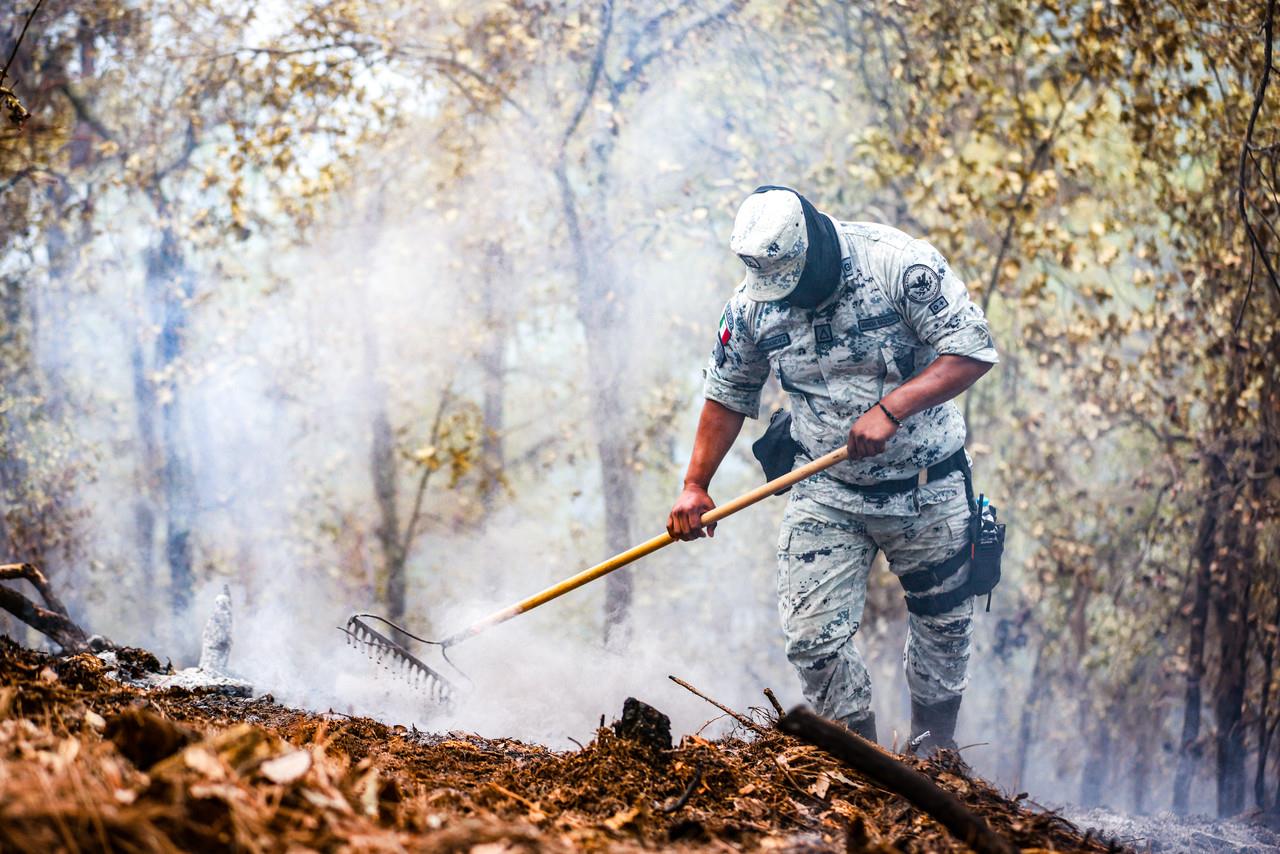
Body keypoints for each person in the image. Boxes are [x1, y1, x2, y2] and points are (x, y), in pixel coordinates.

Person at [666, 186, 998, 750]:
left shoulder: (899, 265)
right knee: (813, 640)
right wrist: (696, 485)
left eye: (793, 282)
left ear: (814, 247)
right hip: (826, 488)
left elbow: (971, 350)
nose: (787, 297)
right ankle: (861, 766)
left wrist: (892, 408)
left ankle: (937, 762)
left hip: (926, 487)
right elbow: (727, 393)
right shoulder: (752, 305)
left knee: (943, 630)